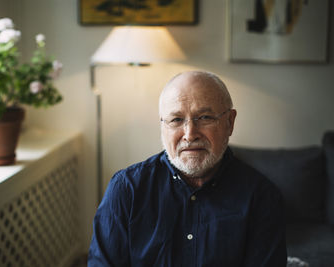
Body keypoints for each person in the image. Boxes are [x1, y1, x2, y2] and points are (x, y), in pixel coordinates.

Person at [88, 71, 287, 266]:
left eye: (205, 117)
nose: (190, 134)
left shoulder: (262, 197)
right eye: (176, 120)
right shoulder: (126, 189)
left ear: (230, 122)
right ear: (162, 127)